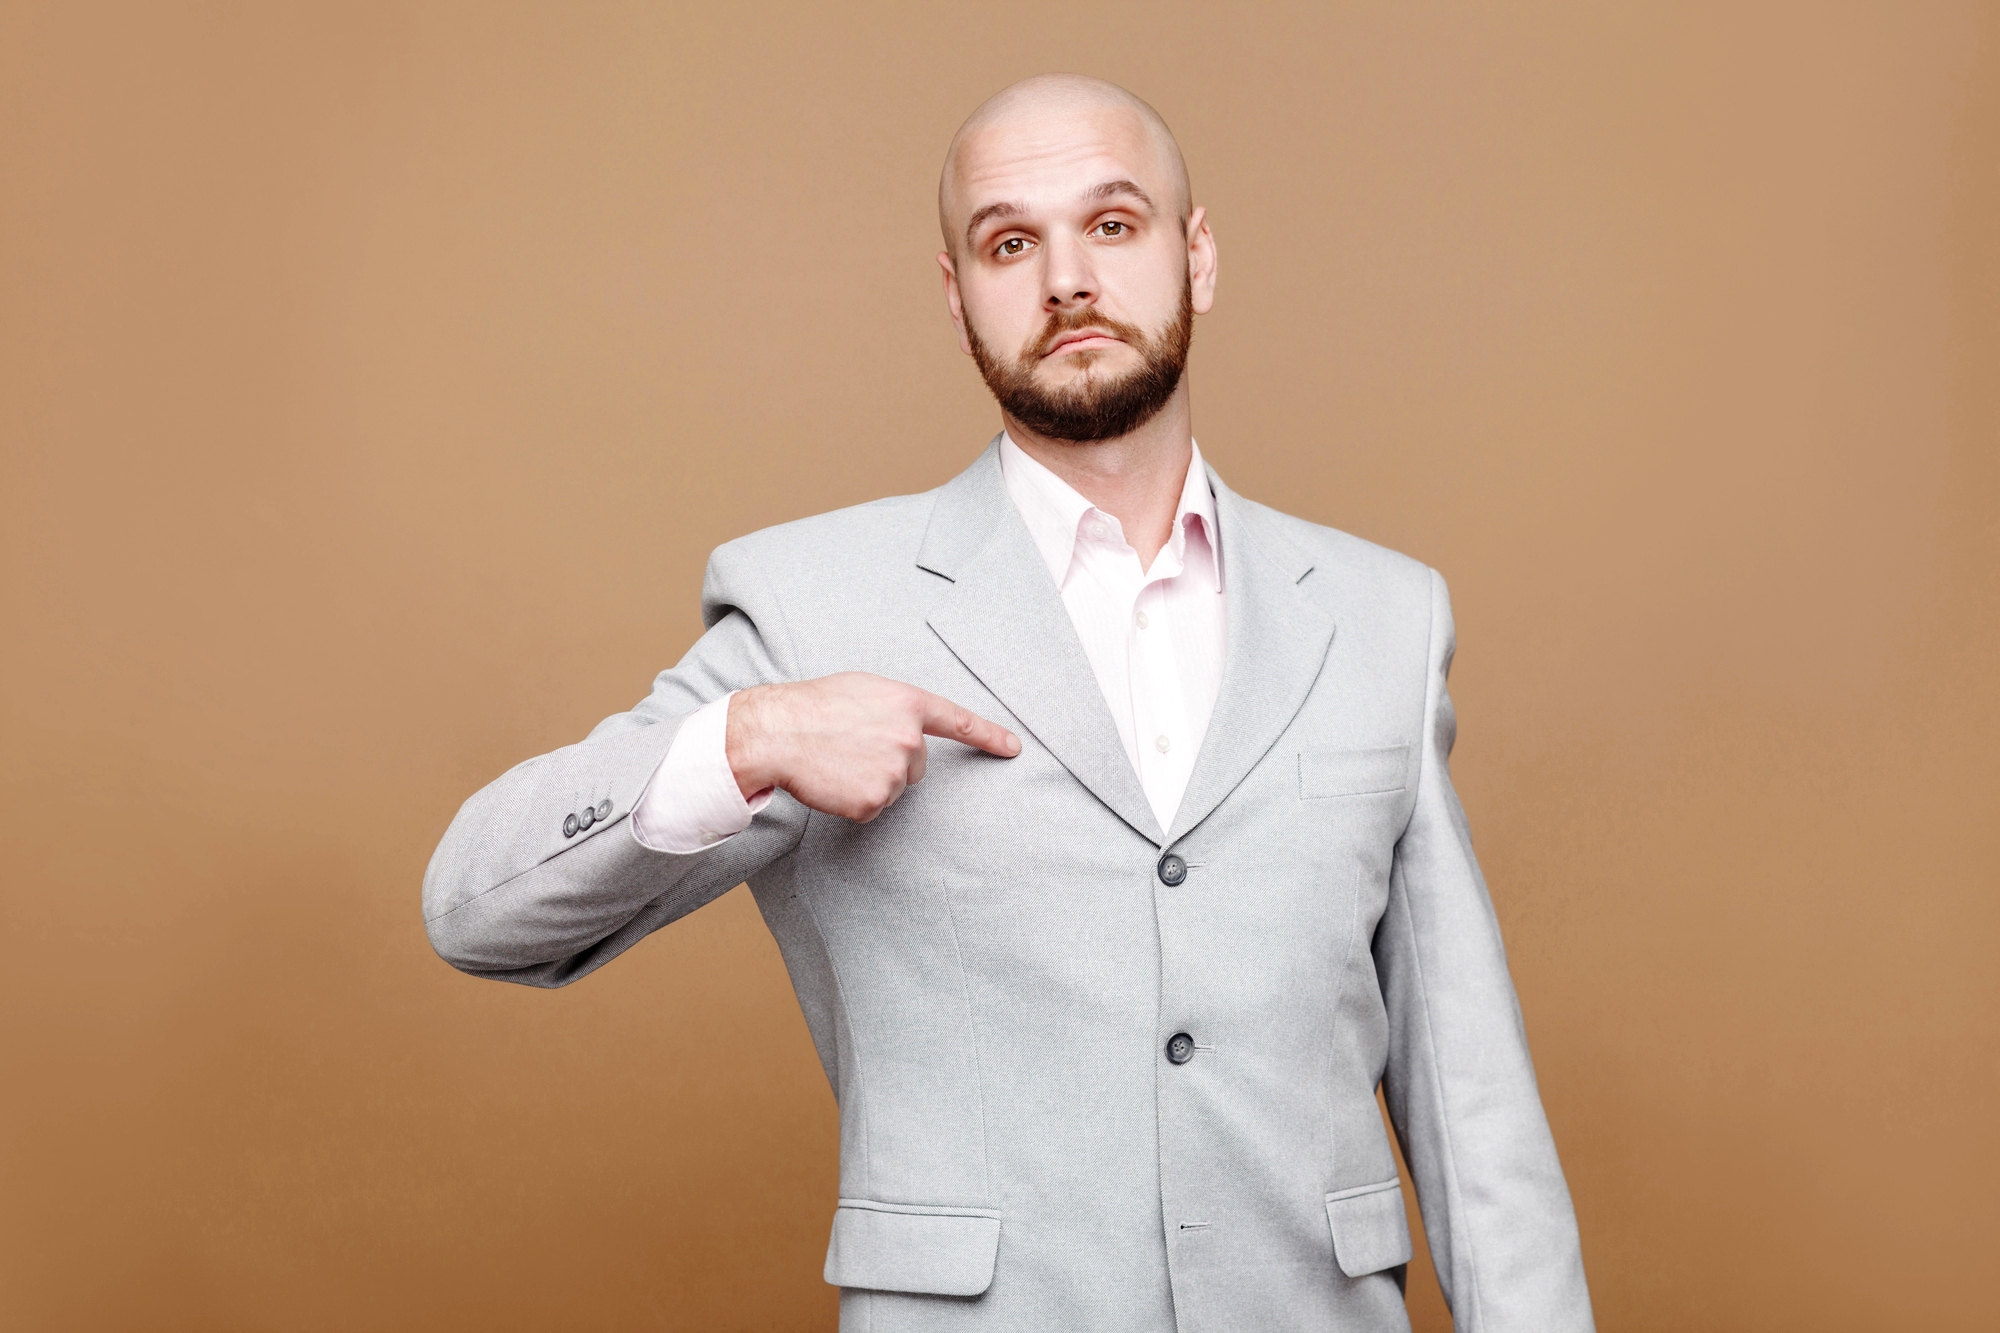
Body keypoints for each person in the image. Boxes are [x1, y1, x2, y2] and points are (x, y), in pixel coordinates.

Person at [424, 73, 1594, 1333]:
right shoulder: (811, 604)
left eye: (1112, 224)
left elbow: (1472, 1114)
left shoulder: (1380, 615)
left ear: (1194, 257)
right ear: (955, 293)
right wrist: (748, 737)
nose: (1065, 280)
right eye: (1008, 242)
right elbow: (476, 907)